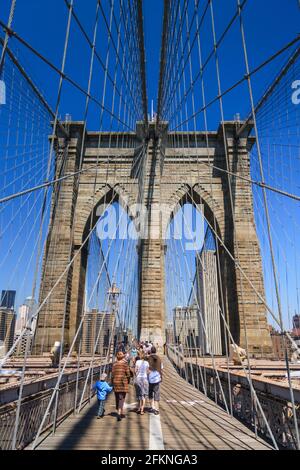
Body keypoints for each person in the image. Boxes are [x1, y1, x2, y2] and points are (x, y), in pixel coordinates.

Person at [112, 351, 131, 422]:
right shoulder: (125, 364)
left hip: (116, 382)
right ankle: (119, 412)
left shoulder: (114, 364)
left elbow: (113, 374)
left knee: (117, 397)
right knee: (121, 398)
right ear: (122, 357)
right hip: (123, 383)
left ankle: (118, 410)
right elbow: (128, 374)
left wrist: (112, 382)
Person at [148, 346, 163, 415]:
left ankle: (152, 407)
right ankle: (156, 409)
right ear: (156, 351)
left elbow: (147, 368)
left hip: (150, 378)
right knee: (156, 393)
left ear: (151, 351)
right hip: (157, 378)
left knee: (150, 393)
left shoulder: (148, 359)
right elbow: (161, 368)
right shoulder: (159, 359)